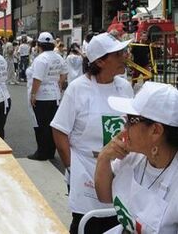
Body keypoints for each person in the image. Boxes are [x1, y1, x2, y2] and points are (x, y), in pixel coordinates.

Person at [51, 32, 134, 234]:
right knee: (88, 224)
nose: (125, 56)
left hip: (120, 169)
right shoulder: (78, 89)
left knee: (118, 222)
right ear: (100, 61)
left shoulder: (124, 87)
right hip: (86, 171)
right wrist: (72, 167)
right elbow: (59, 130)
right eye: (118, 54)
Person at [95, 82, 178, 234]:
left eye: (131, 120)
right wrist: (104, 157)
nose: (124, 126)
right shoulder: (133, 156)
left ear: (155, 131)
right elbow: (105, 196)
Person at [28, 32, 67, 161]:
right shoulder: (58, 57)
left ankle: (42, 152)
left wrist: (33, 94)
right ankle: (50, 151)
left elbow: (37, 79)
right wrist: (59, 86)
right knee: (51, 125)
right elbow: (63, 74)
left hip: (42, 96)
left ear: (39, 45)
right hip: (55, 95)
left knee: (41, 125)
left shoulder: (41, 59)